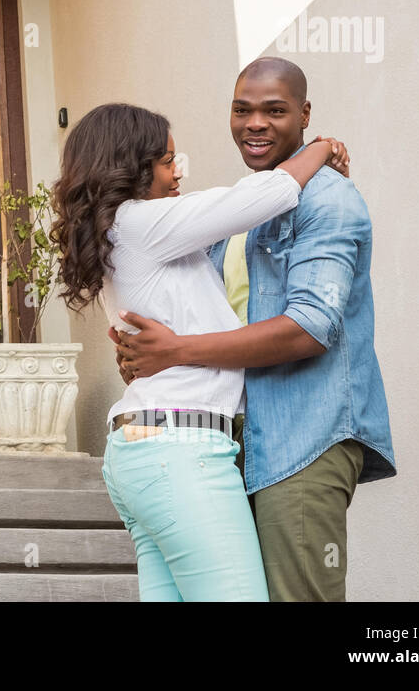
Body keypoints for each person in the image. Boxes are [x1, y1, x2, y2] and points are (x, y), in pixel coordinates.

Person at [111, 57, 397, 601]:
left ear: (304, 114)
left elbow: (311, 328)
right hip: (240, 441)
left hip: (306, 435)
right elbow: (201, 315)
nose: (255, 123)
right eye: (242, 110)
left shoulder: (328, 199)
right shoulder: (239, 213)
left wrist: (175, 351)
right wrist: (143, 349)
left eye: (274, 110)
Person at [49, 101, 349, 601]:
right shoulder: (141, 223)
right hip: (180, 454)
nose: (177, 172)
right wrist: (321, 147)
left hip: (144, 453)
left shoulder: (117, 237)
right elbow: (261, 196)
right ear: (133, 167)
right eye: (168, 160)